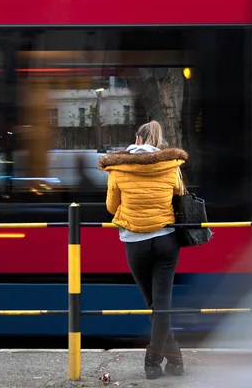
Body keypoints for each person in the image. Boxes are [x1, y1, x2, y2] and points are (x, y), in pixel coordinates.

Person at [98, 120, 187, 380]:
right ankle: (173, 359)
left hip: (135, 242)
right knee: (161, 305)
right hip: (166, 241)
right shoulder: (171, 167)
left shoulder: (119, 167)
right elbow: (180, 196)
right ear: (158, 142)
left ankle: (153, 361)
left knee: (152, 304)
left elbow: (111, 207)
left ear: (137, 139)